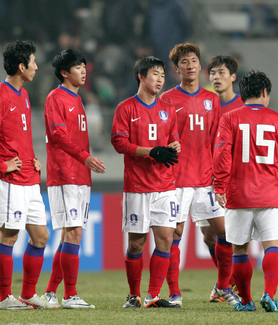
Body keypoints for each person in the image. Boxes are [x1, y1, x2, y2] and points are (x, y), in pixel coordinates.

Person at [214, 70, 278, 312]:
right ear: (264, 93)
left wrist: (219, 185)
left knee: (240, 250)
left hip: (237, 195)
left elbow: (221, 155)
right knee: (272, 246)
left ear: (242, 93)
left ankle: (245, 301)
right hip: (269, 195)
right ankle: (269, 295)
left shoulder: (229, 119)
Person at [159, 43, 237, 306]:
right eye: (184, 62)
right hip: (178, 180)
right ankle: (175, 294)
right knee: (173, 237)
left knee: (225, 234)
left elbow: (217, 140)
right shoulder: (167, 99)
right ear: (176, 68)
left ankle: (223, 287)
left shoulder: (211, 99)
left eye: (194, 61)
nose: (190, 65)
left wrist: (220, 177)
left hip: (205, 179)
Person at [0, 39, 50, 310]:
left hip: (29, 178)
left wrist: (32, 159)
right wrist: (1, 165)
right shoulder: (1, 95)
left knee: (41, 236)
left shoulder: (24, 95)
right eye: (32, 62)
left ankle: (28, 294)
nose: (36, 67)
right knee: (9, 236)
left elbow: (18, 136)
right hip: (10, 180)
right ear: (21, 66)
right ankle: (4, 298)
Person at [111, 55, 181, 308]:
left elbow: (174, 137)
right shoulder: (126, 108)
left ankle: (153, 295)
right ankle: (134, 295)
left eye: (163, 75)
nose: (160, 79)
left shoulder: (169, 109)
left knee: (166, 238)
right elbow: (119, 142)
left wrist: (175, 145)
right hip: (138, 186)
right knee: (137, 243)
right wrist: (149, 151)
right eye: (155, 74)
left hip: (165, 185)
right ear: (141, 77)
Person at [41, 49, 107, 309]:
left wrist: (84, 163)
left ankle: (49, 293)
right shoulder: (55, 98)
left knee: (71, 235)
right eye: (77, 67)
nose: (83, 70)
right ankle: (70, 295)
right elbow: (58, 136)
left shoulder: (78, 100)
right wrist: (85, 157)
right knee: (74, 232)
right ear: (64, 72)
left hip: (80, 176)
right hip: (64, 173)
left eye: (84, 65)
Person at [203, 55, 244, 302]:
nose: (216, 77)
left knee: (230, 234)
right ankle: (227, 282)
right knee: (209, 236)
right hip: (205, 177)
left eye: (221, 73)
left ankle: (227, 284)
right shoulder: (207, 105)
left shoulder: (242, 106)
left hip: (233, 179)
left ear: (232, 77)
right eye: (213, 73)